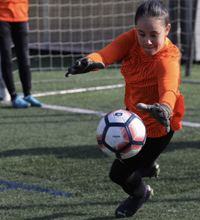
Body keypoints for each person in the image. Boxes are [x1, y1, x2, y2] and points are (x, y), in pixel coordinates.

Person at [66, 0, 185, 218]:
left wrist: (165, 108)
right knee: (138, 161)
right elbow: (106, 55)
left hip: (157, 128)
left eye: (153, 34)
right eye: (141, 33)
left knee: (118, 174)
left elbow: (169, 88)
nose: (147, 41)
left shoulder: (167, 60)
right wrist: (87, 61)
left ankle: (140, 194)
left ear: (167, 30)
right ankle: (147, 166)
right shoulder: (131, 39)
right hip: (131, 117)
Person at [0, 0, 42, 108]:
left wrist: (23, 9)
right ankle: (14, 97)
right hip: (0, 18)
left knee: (24, 57)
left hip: (21, 17)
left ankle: (28, 94)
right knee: (6, 58)